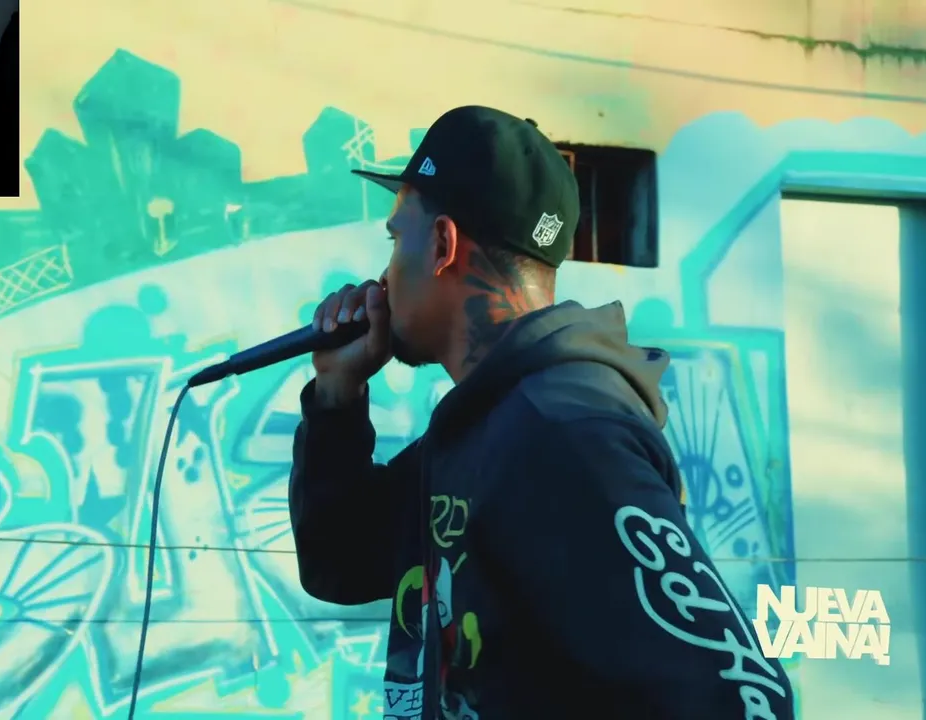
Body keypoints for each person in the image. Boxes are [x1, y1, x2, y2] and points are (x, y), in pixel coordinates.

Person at [289, 106, 795, 719]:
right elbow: (338, 562)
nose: (383, 274)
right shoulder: (484, 428)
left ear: (443, 244)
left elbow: (742, 697)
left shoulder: (564, 431)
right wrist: (336, 395)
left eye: (396, 239)